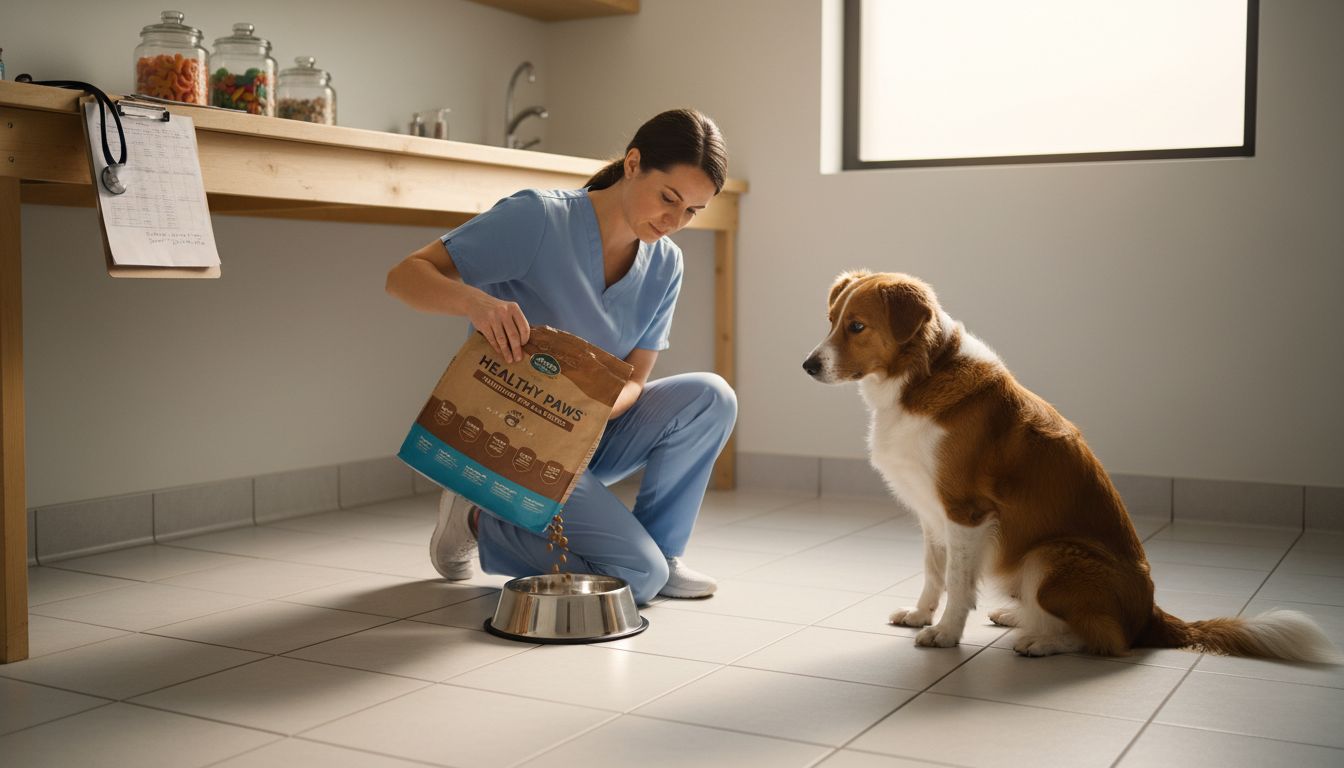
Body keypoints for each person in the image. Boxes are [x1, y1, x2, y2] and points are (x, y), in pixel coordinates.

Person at [385, 108, 735, 604]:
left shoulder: (666, 263)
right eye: (668, 199)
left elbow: (636, 379)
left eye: (692, 212)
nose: (674, 222)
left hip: (584, 437)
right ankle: (478, 519)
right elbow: (404, 276)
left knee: (711, 395)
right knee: (637, 580)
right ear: (633, 164)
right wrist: (477, 303)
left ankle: (662, 550)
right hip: (507, 438)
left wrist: (592, 409)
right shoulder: (539, 218)